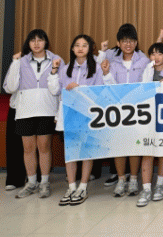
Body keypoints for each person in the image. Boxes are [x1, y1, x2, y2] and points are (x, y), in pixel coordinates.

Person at [3, 29, 63, 199]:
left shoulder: (56, 59)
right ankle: (31, 182)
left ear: (46, 42)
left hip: (47, 110)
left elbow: (59, 88)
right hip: (25, 111)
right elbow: (10, 87)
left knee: (44, 147)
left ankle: (44, 182)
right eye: (33, 40)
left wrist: (58, 112)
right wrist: (15, 63)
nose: (36, 43)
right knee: (28, 149)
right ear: (28, 43)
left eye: (40, 40)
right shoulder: (21, 61)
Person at [49, 34, 105, 205]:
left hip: (87, 114)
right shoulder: (65, 68)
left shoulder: (96, 68)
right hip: (69, 114)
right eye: (77, 45)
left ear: (90, 49)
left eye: (84, 45)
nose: (80, 48)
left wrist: (80, 88)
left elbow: (100, 91)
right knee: (71, 151)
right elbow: (55, 90)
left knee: (86, 151)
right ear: (72, 49)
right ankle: (71, 187)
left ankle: (83, 186)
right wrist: (53, 71)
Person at [102, 23, 150, 197]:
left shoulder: (145, 62)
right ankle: (121, 179)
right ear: (118, 43)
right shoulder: (113, 63)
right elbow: (110, 87)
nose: (128, 44)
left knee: (135, 146)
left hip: (138, 111)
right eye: (124, 41)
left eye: (131, 41)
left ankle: (134, 179)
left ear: (136, 43)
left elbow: (147, 85)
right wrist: (106, 74)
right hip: (118, 111)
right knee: (119, 146)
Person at [136, 42, 163, 206]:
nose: (156, 57)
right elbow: (141, 89)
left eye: (160, 54)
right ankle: (146, 189)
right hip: (148, 115)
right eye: (153, 53)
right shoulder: (146, 70)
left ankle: (159, 185)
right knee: (147, 151)